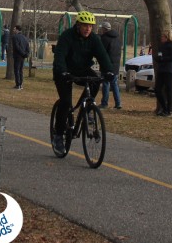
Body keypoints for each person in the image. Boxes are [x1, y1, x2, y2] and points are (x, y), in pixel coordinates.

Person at [51, 11, 113, 154]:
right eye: (85, 25)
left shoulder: (94, 39)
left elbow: (103, 56)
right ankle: (58, 135)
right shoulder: (67, 36)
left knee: (96, 81)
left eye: (90, 26)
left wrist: (109, 71)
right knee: (65, 102)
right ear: (78, 25)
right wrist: (62, 71)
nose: (88, 29)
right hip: (64, 71)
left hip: (82, 69)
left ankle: (87, 106)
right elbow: (60, 56)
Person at [98, 21, 123, 109]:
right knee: (114, 84)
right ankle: (118, 103)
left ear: (104, 29)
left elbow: (102, 52)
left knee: (105, 83)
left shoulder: (104, 38)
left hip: (107, 65)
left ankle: (104, 103)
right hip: (116, 65)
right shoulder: (117, 38)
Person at [155, 28, 172, 117]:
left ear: (167, 37)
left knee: (168, 90)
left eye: (163, 37)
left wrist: (162, 59)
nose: (161, 38)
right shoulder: (162, 46)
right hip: (161, 69)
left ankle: (169, 110)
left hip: (168, 70)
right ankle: (164, 107)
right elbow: (159, 55)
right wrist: (158, 58)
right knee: (157, 89)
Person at [10, 25, 30, 90]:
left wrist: (23, 53)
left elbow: (16, 47)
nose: (13, 30)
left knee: (17, 70)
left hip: (17, 56)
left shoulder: (14, 37)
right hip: (23, 56)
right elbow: (27, 47)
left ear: (17, 30)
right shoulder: (25, 37)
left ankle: (18, 85)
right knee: (21, 70)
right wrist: (26, 54)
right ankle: (20, 84)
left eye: (14, 29)